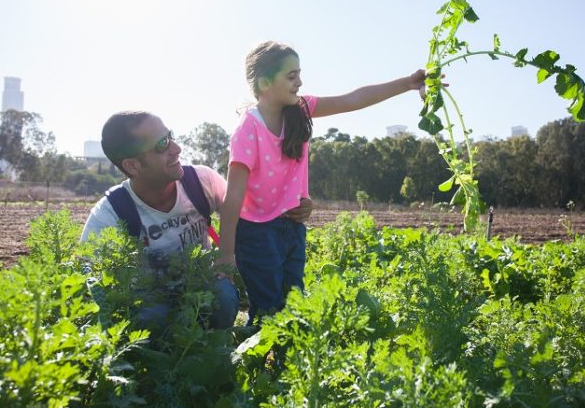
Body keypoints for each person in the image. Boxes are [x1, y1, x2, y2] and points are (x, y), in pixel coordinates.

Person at [218, 41, 429, 325]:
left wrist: (407, 83)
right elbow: (233, 197)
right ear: (265, 82)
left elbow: (352, 99)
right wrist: (226, 254)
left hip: (292, 225)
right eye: (291, 76)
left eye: (299, 74)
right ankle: (258, 363)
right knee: (267, 309)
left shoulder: (301, 109)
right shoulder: (248, 129)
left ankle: (287, 364)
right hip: (257, 234)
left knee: (294, 304)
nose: (299, 82)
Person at [80, 110, 313, 330]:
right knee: (151, 317)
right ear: (133, 165)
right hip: (151, 302)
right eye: (162, 145)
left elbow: (251, 213)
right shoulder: (111, 213)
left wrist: (293, 204)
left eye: (169, 137)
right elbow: (88, 281)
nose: (177, 148)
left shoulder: (200, 181)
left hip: (203, 290)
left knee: (223, 296)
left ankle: (213, 347)